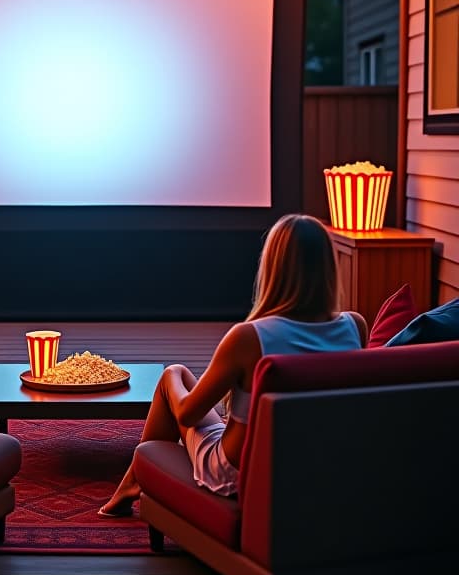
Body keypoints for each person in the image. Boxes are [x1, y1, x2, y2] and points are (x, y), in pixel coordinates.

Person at [98, 213, 368, 516]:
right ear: (329, 268)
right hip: (319, 465)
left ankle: (135, 481)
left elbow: (188, 413)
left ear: (272, 268)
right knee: (187, 377)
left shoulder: (250, 338)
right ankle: (133, 481)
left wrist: (170, 378)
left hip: (239, 474)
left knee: (174, 375)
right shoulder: (355, 327)